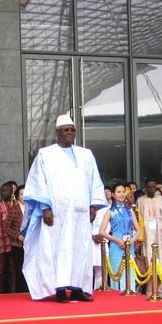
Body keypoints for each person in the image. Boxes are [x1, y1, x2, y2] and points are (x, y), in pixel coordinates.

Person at [22, 114, 105, 302]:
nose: (70, 132)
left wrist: (94, 206)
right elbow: (38, 182)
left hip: (81, 213)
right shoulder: (46, 154)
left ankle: (78, 289)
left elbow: (95, 181)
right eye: (66, 129)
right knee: (57, 250)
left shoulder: (86, 154)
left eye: (72, 129)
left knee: (80, 250)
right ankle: (59, 289)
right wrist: (45, 208)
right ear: (57, 132)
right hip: (57, 214)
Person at [99, 184, 139, 292]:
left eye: (123, 191)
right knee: (117, 274)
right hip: (116, 247)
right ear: (113, 194)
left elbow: (139, 230)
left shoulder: (130, 210)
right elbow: (101, 231)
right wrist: (117, 240)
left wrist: (132, 240)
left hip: (129, 246)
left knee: (130, 274)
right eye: (118, 192)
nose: (121, 194)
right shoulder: (110, 211)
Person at [137, 178, 162, 296]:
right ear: (145, 187)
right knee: (148, 263)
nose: (151, 189)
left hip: (159, 235)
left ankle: (160, 292)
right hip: (147, 236)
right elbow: (138, 219)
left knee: (161, 263)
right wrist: (140, 238)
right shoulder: (140, 200)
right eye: (149, 187)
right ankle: (149, 292)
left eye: (154, 187)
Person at [8, 185, 26, 292]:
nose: (24, 196)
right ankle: (21, 291)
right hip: (18, 244)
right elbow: (6, 227)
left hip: (31, 243)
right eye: (22, 194)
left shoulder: (32, 207)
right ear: (17, 196)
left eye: (26, 194)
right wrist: (17, 235)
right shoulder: (13, 208)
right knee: (19, 269)